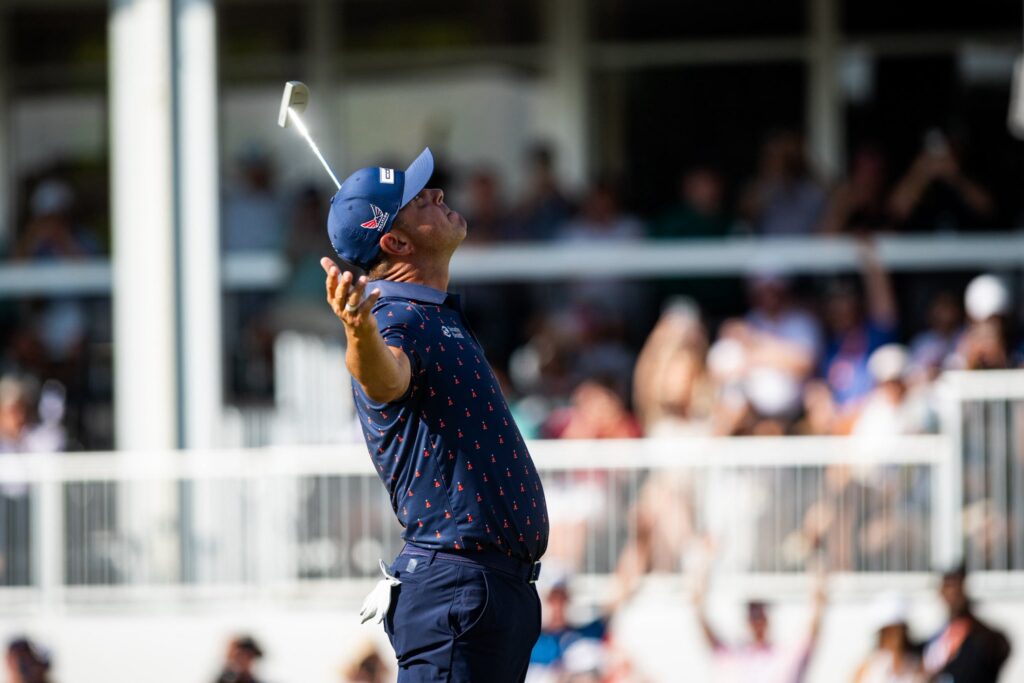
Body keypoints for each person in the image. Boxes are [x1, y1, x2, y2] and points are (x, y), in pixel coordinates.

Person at [320, 148, 548, 682]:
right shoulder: (390, 319)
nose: (438, 194)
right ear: (395, 243)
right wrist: (357, 328)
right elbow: (384, 377)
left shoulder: (428, 314)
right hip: (457, 591)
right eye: (420, 198)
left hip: (488, 594)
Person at [693, 568, 827, 683]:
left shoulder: (782, 657)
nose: (756, 621)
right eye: (753, 615)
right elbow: (705, 629)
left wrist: (818, 596)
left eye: (759, 615)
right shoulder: (733, 657)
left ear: (767, 619)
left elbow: (810, 635)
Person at [922, 566, 1011, 682]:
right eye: (948, 589)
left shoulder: (981, 636)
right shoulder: (941, 635)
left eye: (956, 591)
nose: (953, 597)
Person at [852, 595, 925, 683]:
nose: (894, 638)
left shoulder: (918, 665)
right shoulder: (867, 668)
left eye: (897, 631)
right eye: (889, 632)